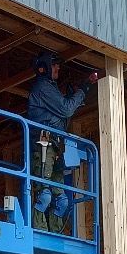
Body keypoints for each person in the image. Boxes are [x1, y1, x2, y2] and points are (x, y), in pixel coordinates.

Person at [27, 51, 98, 233]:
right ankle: (40, 232)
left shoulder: (51, 89)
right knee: (44, 196)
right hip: (44, 146)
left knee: (62, 200)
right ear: (44, 68)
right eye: (54, 64)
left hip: (56, 146)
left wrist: (75, 94)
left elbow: (62, 116)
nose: (58, 67)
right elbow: (66, 110)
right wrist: (83, 89)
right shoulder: (43, 87)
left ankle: (55, 233)